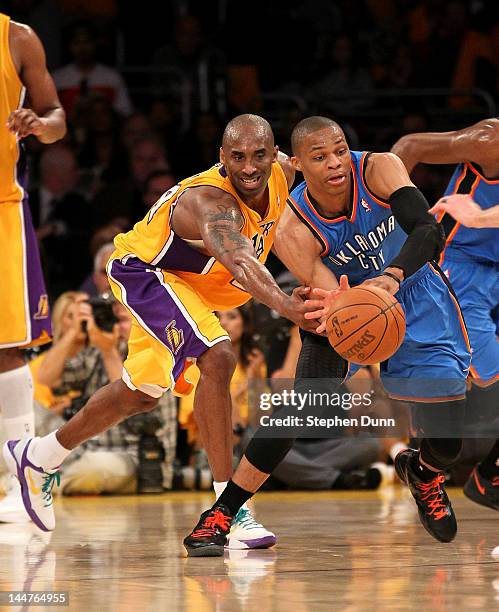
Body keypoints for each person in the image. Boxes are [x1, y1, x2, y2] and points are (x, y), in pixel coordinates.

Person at [3, 114, 318, 548]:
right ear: (221, 159)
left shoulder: (282, 172)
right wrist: (287, 306)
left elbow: (309, 168)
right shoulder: (209, 202)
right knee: (219, 354)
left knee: (142, 392)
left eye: (259, 155)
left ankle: (40, 456)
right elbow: (241, 261)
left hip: (197, 289)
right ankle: (229, 509)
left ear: (274, 154)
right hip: (147, 274)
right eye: (238, 157)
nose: (249, 167)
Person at [184, 115, 472, 556]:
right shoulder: (289, 225)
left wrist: (392, 277)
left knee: (449, 440)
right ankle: (222, 514)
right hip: (343, 306)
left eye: (340, 150)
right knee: (301, 407)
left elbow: (428, 231)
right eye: (319, 157)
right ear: (299, 163)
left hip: (415, 290)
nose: (336, 163)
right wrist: (356, 303)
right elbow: (328, 291)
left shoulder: (379, 168)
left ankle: (424, 473)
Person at [392, 117, 499, 511]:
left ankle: (485, 476)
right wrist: (389, 221)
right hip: (460, 268)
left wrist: (484, 216)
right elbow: (410, 146)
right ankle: (434, 464)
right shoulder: (490, 140)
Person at [0, 13, 66, 524]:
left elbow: (56, 118)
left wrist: (39, 125)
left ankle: (25, 480)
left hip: (1, 206)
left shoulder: (17, 37)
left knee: (7, 348)